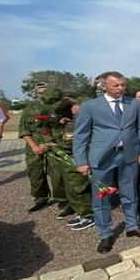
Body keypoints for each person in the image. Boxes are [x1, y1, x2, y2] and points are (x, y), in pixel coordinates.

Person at [73, 71, 140, 253]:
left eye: (123, 85)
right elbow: (80, 136)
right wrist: (81, 161)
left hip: (129, 155)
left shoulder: (133, 103)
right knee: (102, 197)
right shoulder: (90, 106)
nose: (120, 88)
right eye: (116, 85)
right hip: (102, 158)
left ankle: (132, 226)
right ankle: (105, 234)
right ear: (104, 86)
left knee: (130, 192)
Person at [19, 83, 68, 213]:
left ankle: (63, 199)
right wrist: (34, 146)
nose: (42, 95)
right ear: (35, 93)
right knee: (35, 174)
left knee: (58, 175)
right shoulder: (30, 108)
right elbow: (23, 129)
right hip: (34, 146)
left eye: (45, 92)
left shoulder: (59, 106)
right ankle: (40, 199)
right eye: (40, 93)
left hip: (53, 145)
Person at [56, 99, 95, 231]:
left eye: (73, 106)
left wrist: (53, 145)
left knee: (79, 189)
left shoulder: (79, 122)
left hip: (77, 161)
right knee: (74, 189)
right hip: (71, 161)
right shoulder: (72, 122)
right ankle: (83, 213)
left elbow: (70, 143)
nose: (71, 109)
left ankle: (88, 216)